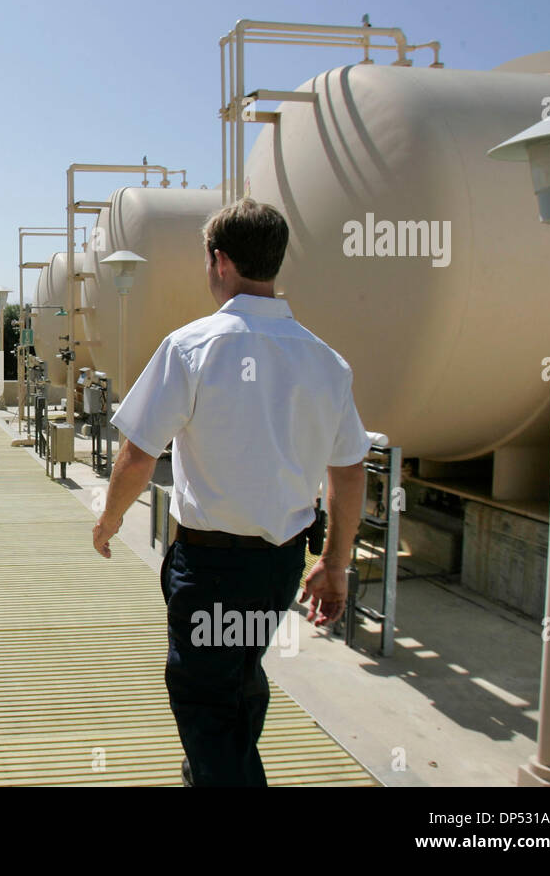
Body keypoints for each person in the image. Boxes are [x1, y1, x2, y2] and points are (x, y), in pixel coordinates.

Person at [91, 197, 368, 787]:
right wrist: (334, 564)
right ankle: (209, 773)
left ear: (220, 262)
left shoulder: (192, 347)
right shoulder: (327, 362)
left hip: (211, 564)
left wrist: (108, 520)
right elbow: (348, 470)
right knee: (239, 676)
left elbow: (139, 453)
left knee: (205, 702)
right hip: (280, 564)